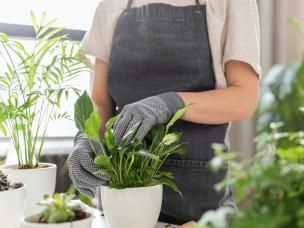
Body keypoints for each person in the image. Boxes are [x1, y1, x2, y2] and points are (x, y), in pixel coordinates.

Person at [68, 0, 261, 225]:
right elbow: (101, 101)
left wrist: (172, 103)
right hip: (121, 206)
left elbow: (244, 98)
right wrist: (86, 138)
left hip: (198, 208)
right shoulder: (112, 4)